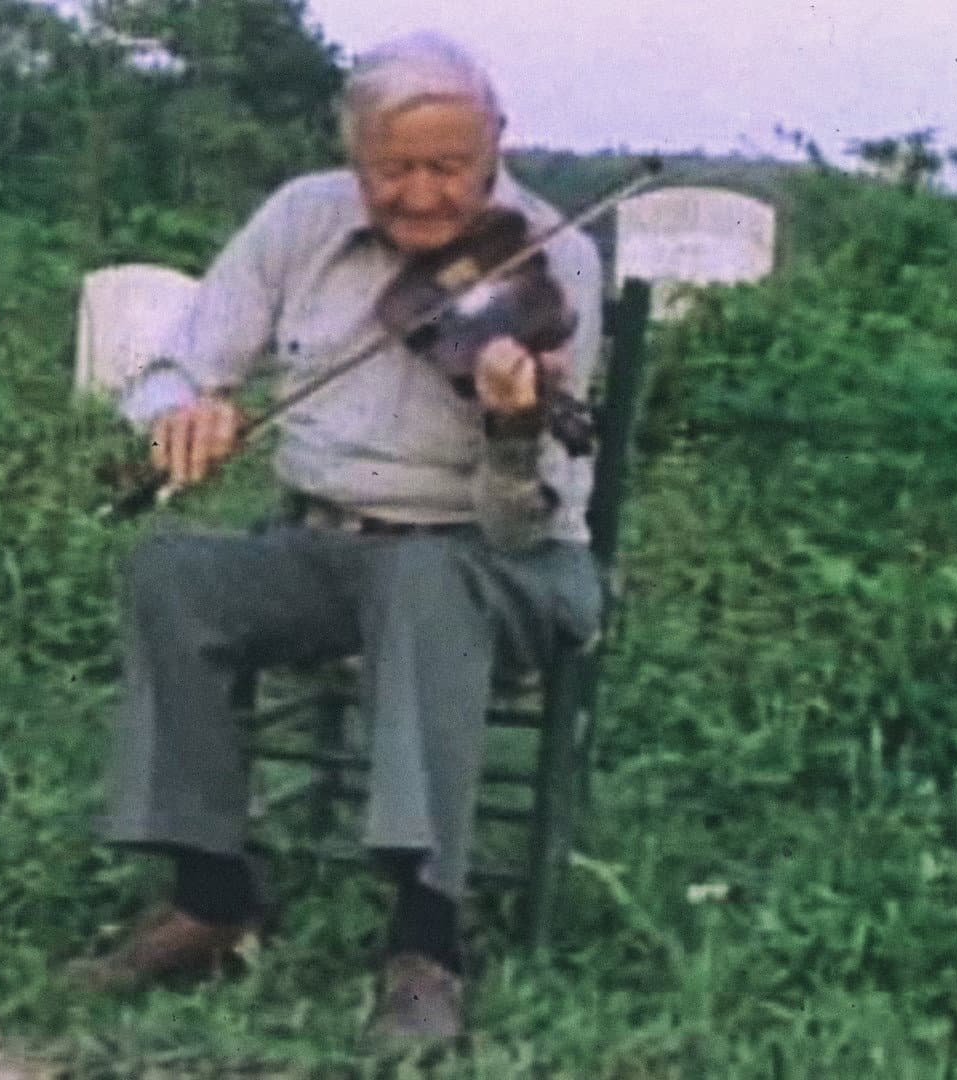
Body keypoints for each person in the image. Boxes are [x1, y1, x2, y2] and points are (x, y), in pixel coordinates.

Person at [71, 31, 604, 1042]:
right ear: (352, 153)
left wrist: (512, 427)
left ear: (496, 144)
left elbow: (520, 521)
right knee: (172, 572)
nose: (421, 196)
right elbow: (178, 364)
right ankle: (212, 896)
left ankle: (426, 941)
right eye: (392, 169)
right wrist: (185, 411)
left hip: (503, 564)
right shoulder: (301, 219)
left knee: (426, 579)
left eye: (450, 167)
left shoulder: (552, 255)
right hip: (326, 545)